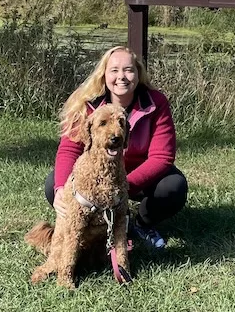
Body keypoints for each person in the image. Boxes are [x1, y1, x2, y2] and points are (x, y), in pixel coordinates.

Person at [44, 46, 187, 251]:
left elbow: (162, 157)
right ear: (104, 74)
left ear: (138, 74)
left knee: (174, 186)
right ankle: (91, 227)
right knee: (53, 184)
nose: (122, 76)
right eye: (114, 70)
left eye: (129, 70)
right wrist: (60, 190)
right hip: (97, 175)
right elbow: (69, 150)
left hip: (137, 176)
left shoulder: (156, 102)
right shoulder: (85, 103)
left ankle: (141, 224)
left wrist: (121, 188)